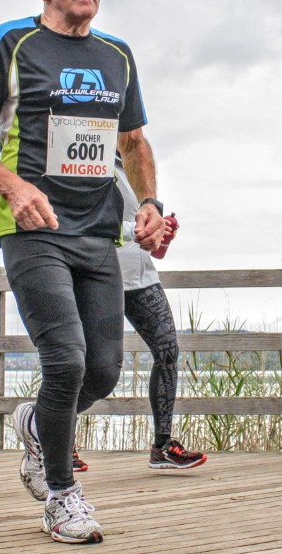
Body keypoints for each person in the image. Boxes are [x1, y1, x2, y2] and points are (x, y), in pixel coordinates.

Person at [0, 0, 165, 544]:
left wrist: (148, 205)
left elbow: (133, 142)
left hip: (98, 234)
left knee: (102, 371)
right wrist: (13, 188)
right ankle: (63, 498)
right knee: (63, 359)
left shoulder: (117, 55)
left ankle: (38, 427)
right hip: (32, 228)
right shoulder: (12, 44)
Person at [74, 159, 207, 473]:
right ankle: (54, 435)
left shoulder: (132, 172)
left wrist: (161, 234)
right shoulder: (85, 160)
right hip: (97, 275)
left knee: (168, 353)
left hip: (140, 276)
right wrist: (137, 231)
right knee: (92, 365)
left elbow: (154, 249)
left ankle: (162, 447)